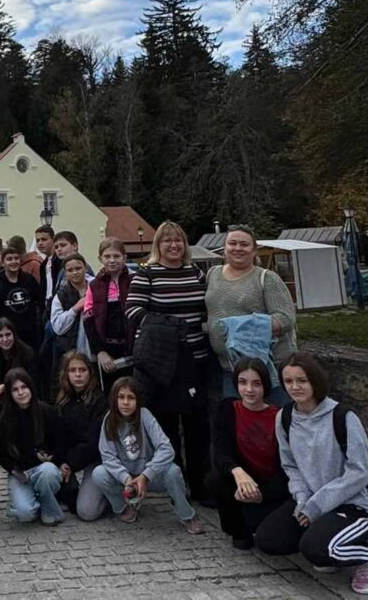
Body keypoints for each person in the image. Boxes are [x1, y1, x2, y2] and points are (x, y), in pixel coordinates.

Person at [254, 353, 368, 595]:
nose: (295, 387)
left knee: (318, 550)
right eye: (289, 381)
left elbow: (362, 471)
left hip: (352, 504)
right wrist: (304, 499)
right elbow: (290, 465)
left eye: (302, 380)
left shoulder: (343, 417)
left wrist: (316, 505)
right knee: (268, 540)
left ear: (315, 380)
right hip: (310, 501)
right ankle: (326, 545)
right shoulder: (283, 417)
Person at [125, 221, 210, 501]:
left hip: (195, 362)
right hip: (162, 365)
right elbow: (133, 310)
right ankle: (176, 485)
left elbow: (205, 311)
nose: (173, 246)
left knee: (198, 429)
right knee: (167, 430)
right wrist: (170, 326)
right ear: (157, 245)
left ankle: (200, 486)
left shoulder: (195, 273)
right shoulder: (147, 274)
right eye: (167, 241)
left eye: (178, 241)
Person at [92, 377, 204, 534]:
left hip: (150, 476)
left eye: (130, 398)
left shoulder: (145, 415)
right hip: (128, 478)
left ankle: (186, 514)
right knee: (99, 473)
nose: (125, 402)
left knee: (173, 471)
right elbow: (108, 456)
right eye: (121, 397)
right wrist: (126, 479)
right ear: (114, 399)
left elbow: (167, 449)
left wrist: (146, 475)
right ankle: (126, 506)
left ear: (137, 400)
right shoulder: (109, 419)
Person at [205, 225, 297, 402]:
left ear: (254, 250)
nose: (238, 248)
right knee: (238, 425)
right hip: (230, 369)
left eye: (244, 244)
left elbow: (285, 319)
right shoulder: (212, 274)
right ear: (224, 248)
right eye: (232, 243)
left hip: (266, 371)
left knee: (276, 423)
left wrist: (237, 329)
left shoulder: (267, 278)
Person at [207, 357, 288, 550]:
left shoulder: (280, 416)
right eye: (243, 382)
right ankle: (238, 530)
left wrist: (262, 494)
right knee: (215, 478)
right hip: (241, 480)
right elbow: (221, 451)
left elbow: (287, 466)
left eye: (256, 384)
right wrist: (238, 472)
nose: (249, 390)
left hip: (270, 484)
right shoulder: (228, 408)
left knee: (270, 537)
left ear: (265, 386)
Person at [0, 369, 66, 525]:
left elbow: (61, 443)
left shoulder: (47, 411)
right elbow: (1, 454)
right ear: (9, 393)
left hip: (45, 469)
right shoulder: (5, 419)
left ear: (31, 388)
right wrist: (16, 471)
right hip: (22, 473)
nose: (21, 392)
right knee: (25, 514)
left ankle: (50, 510)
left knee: (47, 473)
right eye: (15, 389)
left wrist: (52, 456)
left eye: (24, 387)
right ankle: (23, 503)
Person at [54, 351, 109, 521]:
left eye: (82, 370)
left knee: (87, 512)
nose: (78, 375)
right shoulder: (61, 400)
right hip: (69, 460)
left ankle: (110, 495)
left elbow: (92, 441)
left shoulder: (100, 401)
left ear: (90, 372)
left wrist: (70, 463)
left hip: (94, 460)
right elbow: (58, 436)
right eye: (72, 370)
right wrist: (61, 461)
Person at [83, 237, 134, 392]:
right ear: (100, 258)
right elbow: (88, 320)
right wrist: (99, 351)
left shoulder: (135, 280)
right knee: (111, 394)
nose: (112, 260)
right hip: (107, 350)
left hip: (132, 348)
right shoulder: (94, 286)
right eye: (107, 256)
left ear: (124, 258)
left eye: (116, 256)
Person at [0, 247, 43, 349]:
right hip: (9, 336)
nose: (13, 262)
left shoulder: (29, 280)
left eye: (16, 258)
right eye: (9, 259)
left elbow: (39, 302)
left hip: (31, 334)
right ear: (3, 263)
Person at [0, 318, 36, 406]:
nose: (5, 339)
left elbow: (32, 383)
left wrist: (3, 387)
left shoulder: (27, 353)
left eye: (8, 334)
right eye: (0, 336)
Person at [50, 253, 93, 358]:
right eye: (70, 270)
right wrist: (75, 309)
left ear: (85, 268)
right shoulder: (60, 296)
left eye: (78, 268)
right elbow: (57, 327)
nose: (75, 273)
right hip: (71, 351)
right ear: (65, 273)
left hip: (96, 349)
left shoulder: (97, 289)